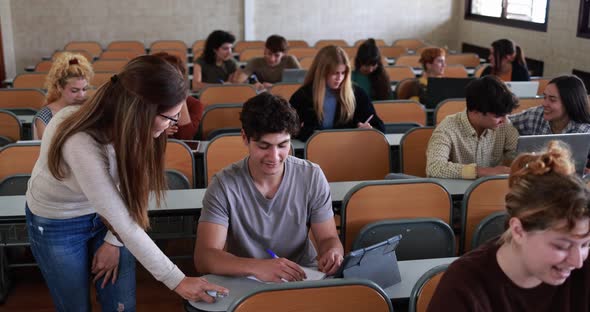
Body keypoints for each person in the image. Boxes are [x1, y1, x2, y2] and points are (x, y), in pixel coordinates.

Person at [25, 55, 227, 311]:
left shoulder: (137, 129)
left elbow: (132, 194)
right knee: (74, 306)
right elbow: (121, 218)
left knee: (122, 304)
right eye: (169, 118)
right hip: (57, 222)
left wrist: (113, 242)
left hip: (108, 216)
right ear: (142, 110)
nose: (169, 126)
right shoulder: (80, 140)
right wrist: (178, 281)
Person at [194, 92, 344, 282]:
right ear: (245, 138)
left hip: (304, 277)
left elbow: (328, 238)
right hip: (247, 280)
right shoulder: (224, 185)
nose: (274, 157)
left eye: (283, 145)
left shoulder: (311, 176)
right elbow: (204, 257)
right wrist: (258, 267)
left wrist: (333, 252)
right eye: (264, 146)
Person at [428, 141, 590, 311]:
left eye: (585, 244)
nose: (577, 261)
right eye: (562, 246)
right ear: (518, 231)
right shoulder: (463, 287)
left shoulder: (584, 270)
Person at [426, 75, 519, 179]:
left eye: (506, 114)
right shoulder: (447, 128)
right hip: (458, 194)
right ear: (475, 111)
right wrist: (484, 171)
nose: (505, 120)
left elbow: (516, 153)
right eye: (497, 116)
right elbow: (434, 167)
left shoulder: (505, 125)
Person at [289, 45, 384, 141]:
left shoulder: (357, 94)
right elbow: (285, 129)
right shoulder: (303, 95)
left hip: (348, 150)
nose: (340, 78)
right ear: (321, 72)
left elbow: (379, 127)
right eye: (335, 73)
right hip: (311, 152)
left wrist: (370, 130)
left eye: (343, 73)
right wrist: (300, 132)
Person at [33, 51, 94, 140]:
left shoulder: (90, 109)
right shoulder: (45, 116)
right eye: (74, 90)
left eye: (84, 89)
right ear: (59, 87)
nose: (81, 95)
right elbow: (46, 149)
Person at [510, 75, 590, 135]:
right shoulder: (537, 114)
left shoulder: (584, 131)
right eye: (545, 97)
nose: (544, 103)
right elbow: (506, 122)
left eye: (552, 99)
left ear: (570, 103)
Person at [153, 52, 205, 140]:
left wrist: (181, 96)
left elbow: (186, 137)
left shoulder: (194, 104)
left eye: (176, 78)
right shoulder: (143, 100)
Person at [235, 34, 301, 91]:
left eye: (277, 55)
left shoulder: (290, 60)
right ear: (265, 50)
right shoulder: (255, 61)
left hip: (284, 94)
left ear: (284, 54)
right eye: (269, 54)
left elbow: (301, 83)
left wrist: (273, 86)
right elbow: (239, 82)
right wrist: (253, 85)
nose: (272, 59)